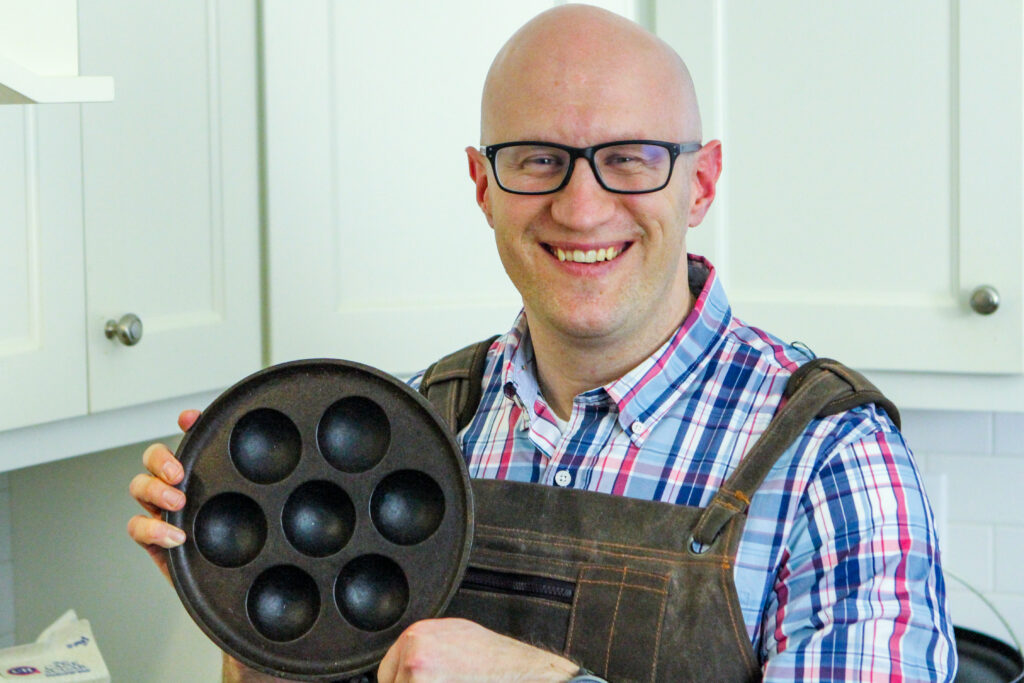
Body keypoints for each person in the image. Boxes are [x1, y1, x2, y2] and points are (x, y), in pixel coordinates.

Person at [128, 5, 956, 682]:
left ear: (698, 184)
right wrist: (250, 610)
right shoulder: (408, 425)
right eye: (537, 160)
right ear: (483, 187)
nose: (582, 207)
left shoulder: (833, 461)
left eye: (629, 159)